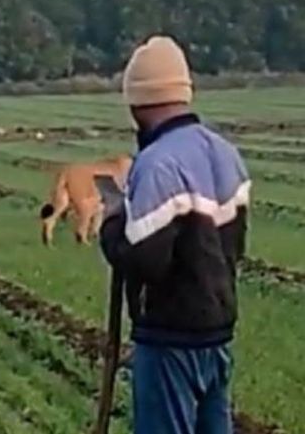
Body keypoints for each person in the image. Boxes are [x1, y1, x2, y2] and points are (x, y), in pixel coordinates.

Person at [99, 36, 251, 434]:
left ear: (137, 102)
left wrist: (112, 221)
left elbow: (144, 259)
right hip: (217, 335)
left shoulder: (157, 164)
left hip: (169, 340)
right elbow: (234, 247)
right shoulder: (225, 154)